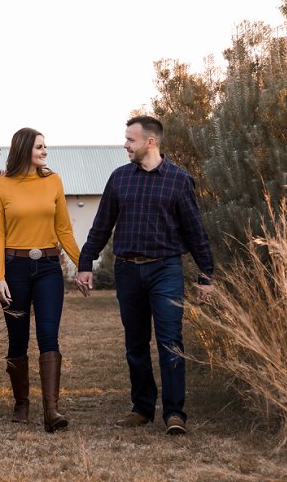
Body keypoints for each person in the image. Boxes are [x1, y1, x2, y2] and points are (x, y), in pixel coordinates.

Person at [74, 115, 216, 436]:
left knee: (170, 342)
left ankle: (174, 413)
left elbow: (196, 233)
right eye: (126, 139)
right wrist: (86, 263)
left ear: (150, 142)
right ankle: (141, 408)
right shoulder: (119, 179)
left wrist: (206, 275)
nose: (125, 145)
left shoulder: (179, 180)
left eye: (130, 140)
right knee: (135, 344)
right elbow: (101, 226)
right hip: (127, 271)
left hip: (165, 269)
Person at [0, 127, 82, 432]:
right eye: (40, 147)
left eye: (46, 146)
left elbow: (64, 229)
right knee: (17, 340)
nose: (45, 151)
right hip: (14, 268)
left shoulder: (53, 182)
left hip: (49, 268)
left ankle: (51, 411)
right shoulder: (0, 186)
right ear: (24, 149)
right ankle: (21, 403)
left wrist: (83, 265)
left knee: (48, 336)